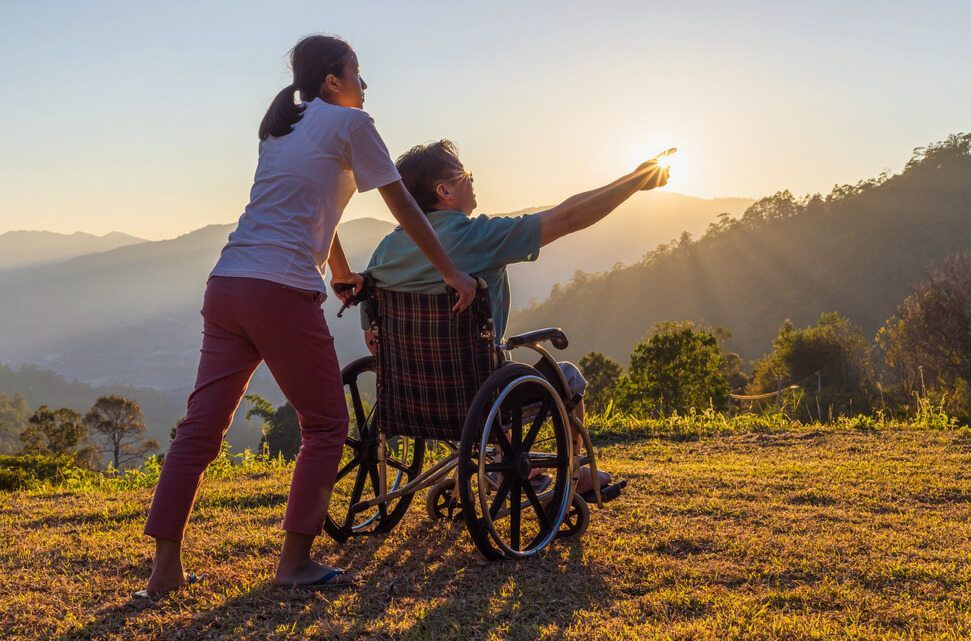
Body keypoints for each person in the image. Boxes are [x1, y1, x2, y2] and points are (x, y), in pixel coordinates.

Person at [138, 36, 476, 598]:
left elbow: (313, 206)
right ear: (332, 82)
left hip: (228, 284)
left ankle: (164, 571)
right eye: (358, 74)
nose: (365, 87)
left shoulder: (283, 128)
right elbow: (406, 207)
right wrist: (451, 272)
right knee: (325, 425)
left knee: (199, 430)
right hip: (278, 292)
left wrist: (338, 270)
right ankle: (295, 564)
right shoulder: (354, 126)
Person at [358, 140, 668, 496]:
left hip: (409, 397)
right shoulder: (478, 237)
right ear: (444, 191)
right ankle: (574, 476)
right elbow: (567, 217)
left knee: (496, 376)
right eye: (466, 175)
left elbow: (372, 329)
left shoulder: (386, 249)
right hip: (478, 394)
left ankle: (498, 468)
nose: (473, 182)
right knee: (568, 377)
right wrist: (635, 181)